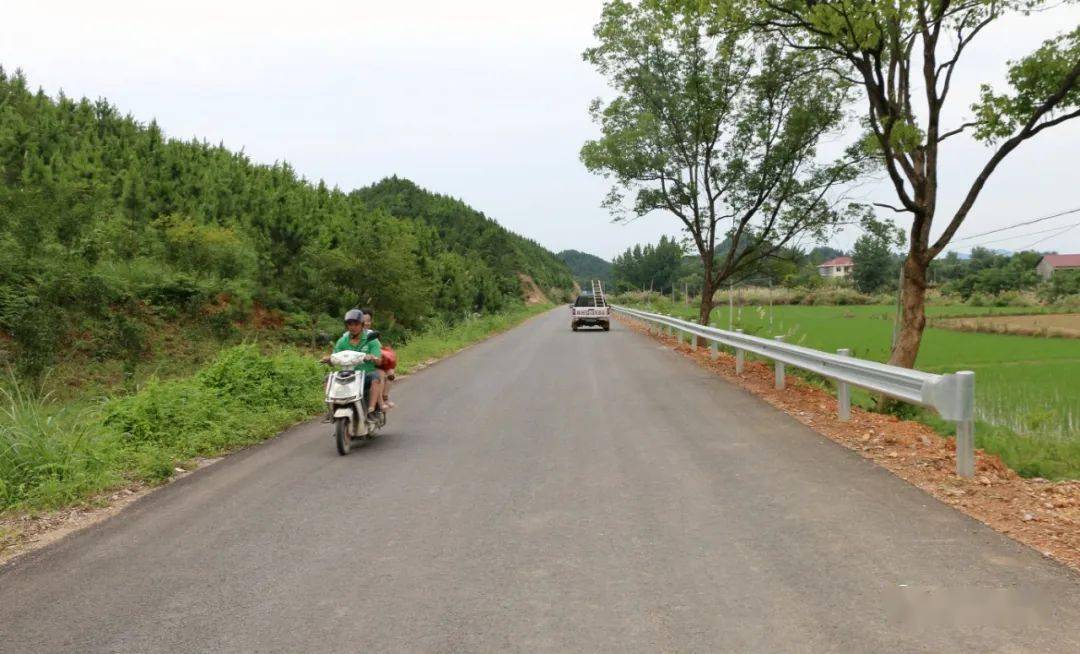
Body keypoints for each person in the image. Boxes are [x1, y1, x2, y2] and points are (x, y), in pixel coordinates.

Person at [322, 308, 383, 424]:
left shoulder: (371, 340)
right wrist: (329, 359)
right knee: (327, 379)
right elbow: (335, 357)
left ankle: (371, 410)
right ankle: (331, 409)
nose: (353, 327)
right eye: (350, 324)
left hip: (366, 374)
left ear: (362, 325)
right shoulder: (342, 341)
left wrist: (372, 357)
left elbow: (379, 361)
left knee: (376, 378)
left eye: (356, 324)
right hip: (347, 374)